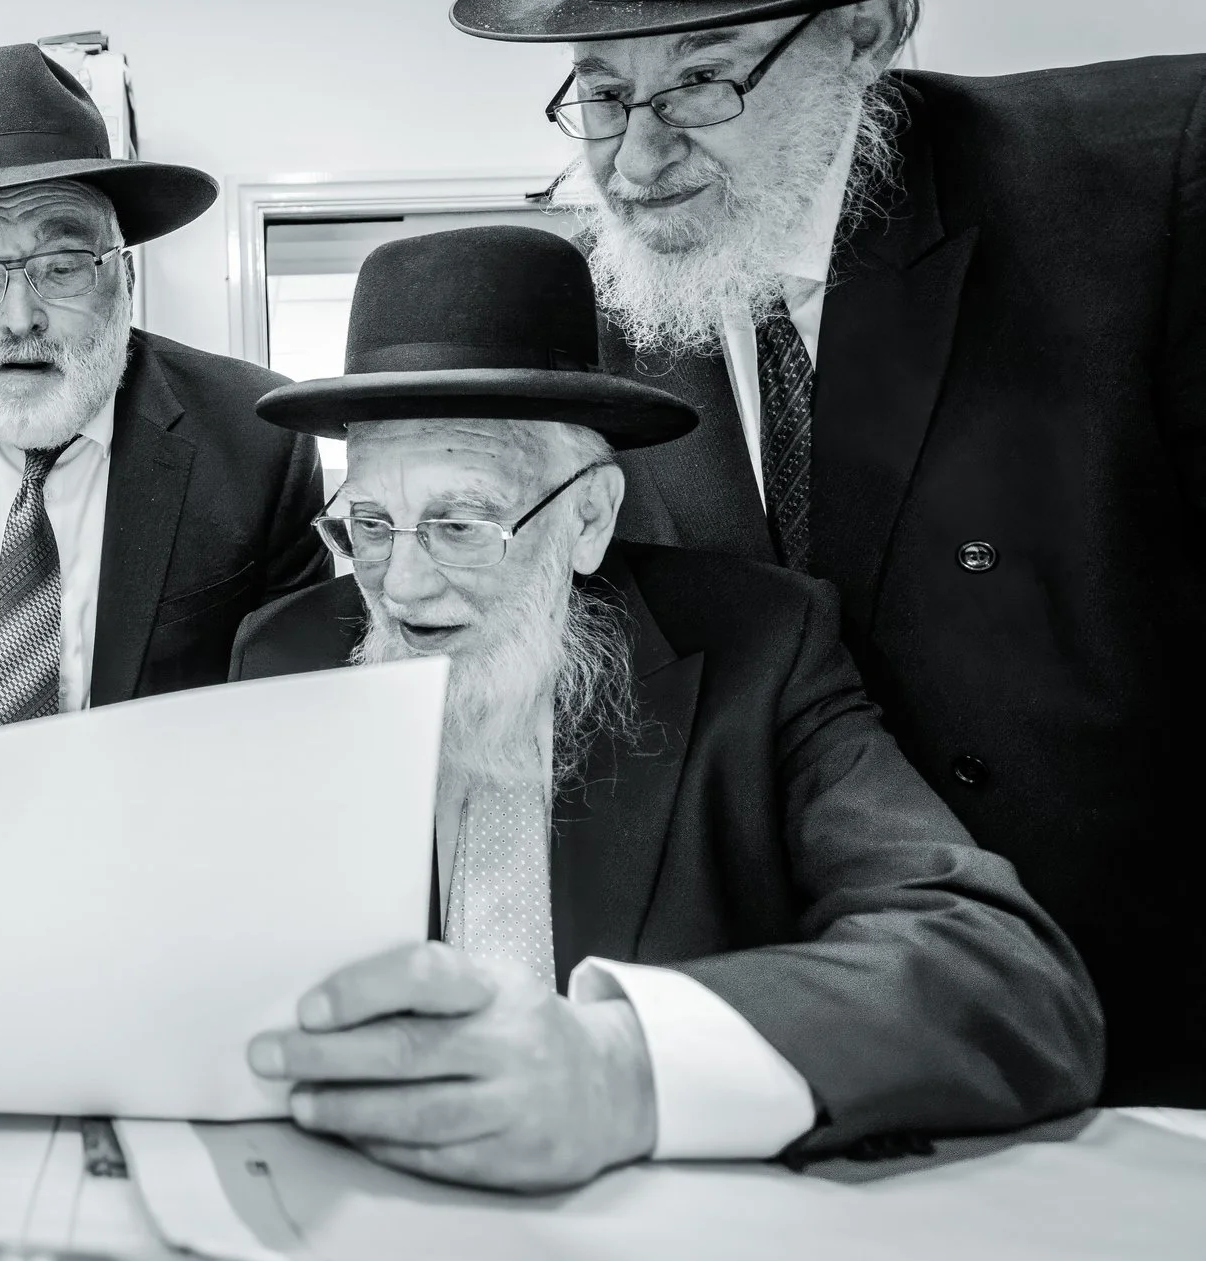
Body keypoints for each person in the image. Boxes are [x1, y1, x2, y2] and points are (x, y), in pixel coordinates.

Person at [450, 0, 1206, 1104]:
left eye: (701, 78)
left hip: (1142, 1052)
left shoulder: (1139, 188)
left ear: (864, 27)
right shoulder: (605, 330)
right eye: (602, 95)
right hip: (769, 1057)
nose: (635, 153)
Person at [235, 226, 1100, 1191]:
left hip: (663, 1226)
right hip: (347, 1204)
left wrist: (622, 1066)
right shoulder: (286, 654)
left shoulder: (758, 649)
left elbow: (1000, 975)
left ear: (589, 515)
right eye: (370, 523)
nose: (400, 583)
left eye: (462, 523)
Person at [0, 43, 327, 731]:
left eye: (62, 265)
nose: (20, 319)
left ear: (124, 276)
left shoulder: (257, 443)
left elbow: (293, 719)